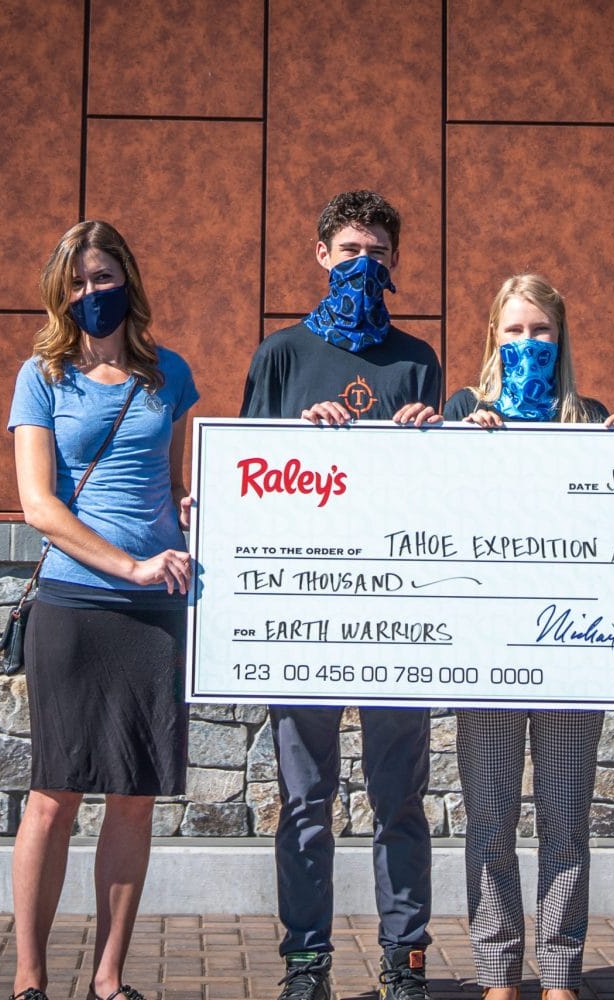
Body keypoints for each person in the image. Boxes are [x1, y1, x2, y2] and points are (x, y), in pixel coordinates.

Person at [240, 190, 441, 1000]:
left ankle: (406, 960)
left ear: (396, 264)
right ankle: (306, 964)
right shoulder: (280, 357)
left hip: (397, 611)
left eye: (380, 253)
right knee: (305, 801)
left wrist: (434, 440)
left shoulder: (415, 360)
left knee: (400, 800)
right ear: (320, 255)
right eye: (351, 249)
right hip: (303, 613)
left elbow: (441, 496)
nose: (366, 264)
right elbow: (247, 481)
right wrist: (298, 436)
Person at [7, 220, 199, 1000]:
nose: (93, 294)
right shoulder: (41, 376)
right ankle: (29, 979)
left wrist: (193, 517)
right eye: (78, 283)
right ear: (62, 293)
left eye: (104, 278)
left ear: (129, 280)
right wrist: (127, 563)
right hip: (73, 605)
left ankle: (109, 980)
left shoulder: (169, 375)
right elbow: (38, 506)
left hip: (154, 613)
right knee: (54, 795)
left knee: (133, 799)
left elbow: (177, 483)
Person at [444, 274, 614, 1000]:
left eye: (542, 331)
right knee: (488, 820)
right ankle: (497, 973)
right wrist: (454, 446)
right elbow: (428, 513)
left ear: (561, 338)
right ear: (492, 334)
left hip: (567, 656)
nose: (529, 343)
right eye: (515, 330)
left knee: (565, 820)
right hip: (487, 655)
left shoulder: (585, 417)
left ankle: (559, 973)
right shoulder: (465, 410)